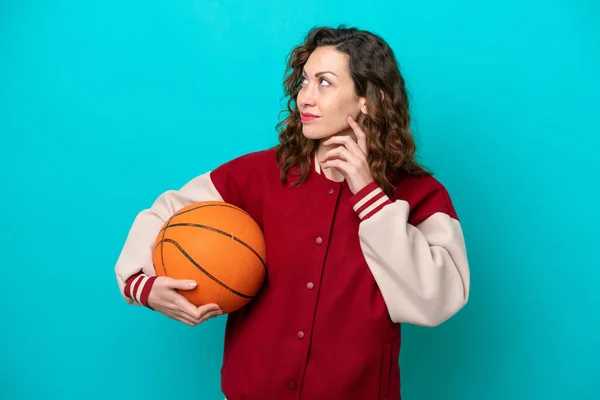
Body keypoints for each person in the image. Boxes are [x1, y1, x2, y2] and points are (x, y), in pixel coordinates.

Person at [114, 25, 470, 400]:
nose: (305, 98)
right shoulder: (259, 174)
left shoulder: (420, 192)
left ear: (370, 98)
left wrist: (368, 194)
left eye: (325, 83)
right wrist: (142, 285)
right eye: (304, 81)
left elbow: (439, 299)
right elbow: (165, 215)